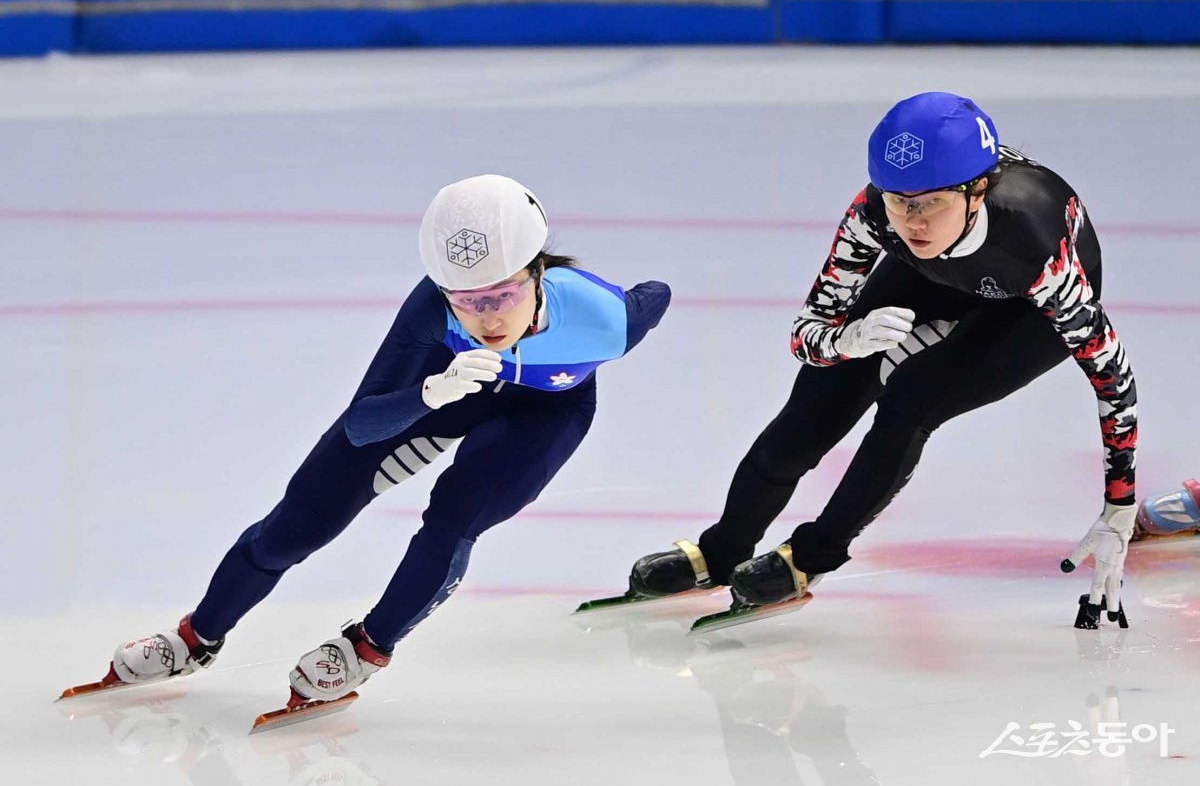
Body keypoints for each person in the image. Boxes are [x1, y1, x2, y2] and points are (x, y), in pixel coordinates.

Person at [107, 174, 671, 699]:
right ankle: (196, 637)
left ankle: (368, 647)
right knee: (300, 521)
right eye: (467, 302)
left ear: (538, 272)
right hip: (445, 387)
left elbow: (657, 293)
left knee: (455, 518)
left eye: (502, 295)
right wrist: (429, 393)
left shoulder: (608, 319)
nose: (488, 319)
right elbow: (362, 424)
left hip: (545, 410)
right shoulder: (431, 311)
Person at [627, 92, 1138, 628]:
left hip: (1027, 311)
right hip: (930, 274)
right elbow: (807, 335)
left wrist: (1119, 505)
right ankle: (722, 550)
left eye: (931, 203)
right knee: (817, 401)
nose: (913, 221)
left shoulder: (1036, 245)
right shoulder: (873, 214)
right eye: (899, 201)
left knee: (911, 402)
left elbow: (1113, 376)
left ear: (978, 191)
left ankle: (811, 558)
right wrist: (845, 342)